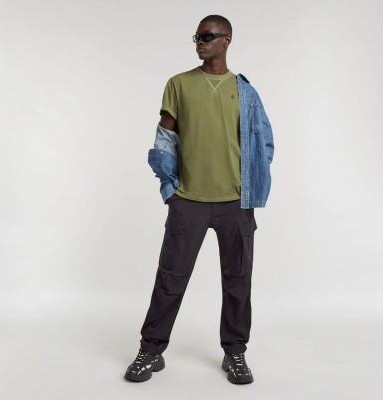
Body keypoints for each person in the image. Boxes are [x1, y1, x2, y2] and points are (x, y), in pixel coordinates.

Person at [124, 15, 274, 385]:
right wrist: (171, 191)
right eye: (197, 37)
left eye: (207, 36)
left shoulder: (246, 93)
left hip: (236, 203)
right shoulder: (179, 84)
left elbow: (264, 145)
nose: (200, 42)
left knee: (238, 280)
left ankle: (235, 352)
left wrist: (252, 187)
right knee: (170, 278)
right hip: (188, 200)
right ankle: (151, 350)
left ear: (227, 40)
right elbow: (164, 140)